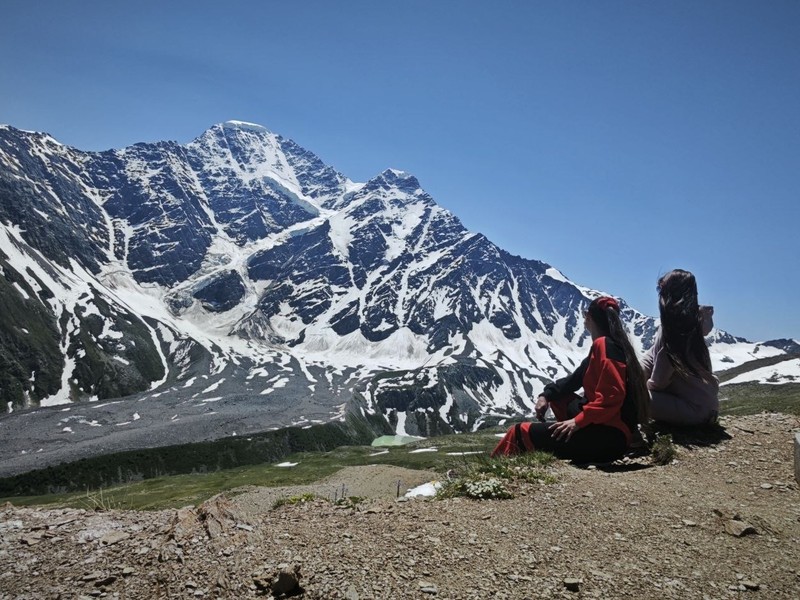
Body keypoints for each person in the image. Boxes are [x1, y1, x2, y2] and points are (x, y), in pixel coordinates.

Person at [491, 296, 650, 463]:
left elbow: (611, 397)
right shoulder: (614, 345)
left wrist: (577, 422)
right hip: (609, 430)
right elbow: (574, 380)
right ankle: (569, 439)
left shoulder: (604, 345)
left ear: (588, 318)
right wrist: (546, 395)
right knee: (559, 398)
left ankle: (491, 471)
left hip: (608, 437)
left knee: (518, 432)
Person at [642, 269, 719, 426]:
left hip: (694, 410)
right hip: (706, 406)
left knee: (634, 398)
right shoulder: (693, 324)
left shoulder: (673, 331)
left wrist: (640, 386)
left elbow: (659, 381)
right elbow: (652, 355)